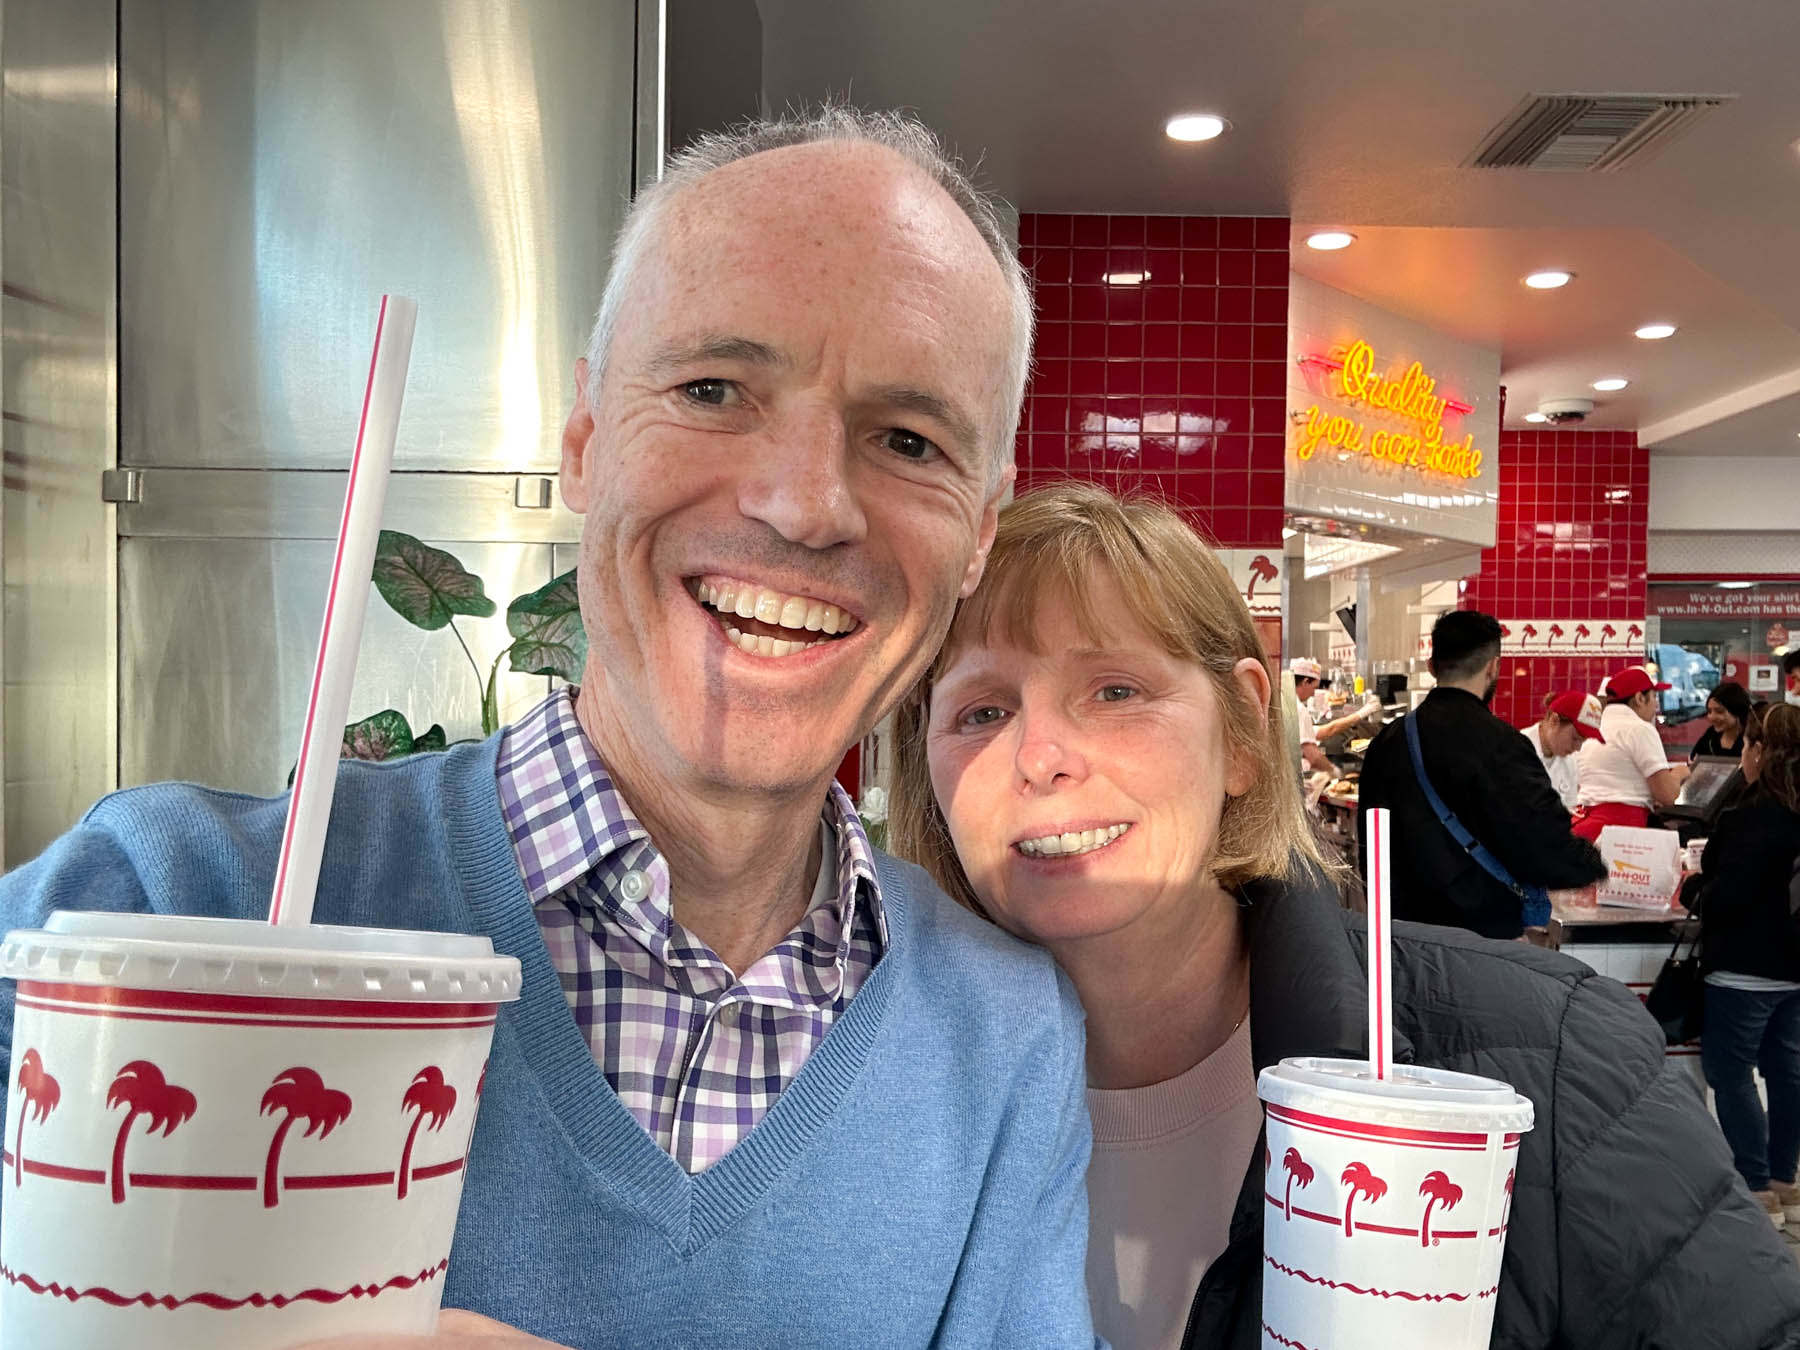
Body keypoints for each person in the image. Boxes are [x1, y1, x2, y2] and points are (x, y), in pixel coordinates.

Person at [0, 110, 1103, 1349]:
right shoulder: (157, 908)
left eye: (908, 440)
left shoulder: (1007, 1046)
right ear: (584, 441)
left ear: (979, 540)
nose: (805, 506)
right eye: (711, 389)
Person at [889, 481, 1800, 1350]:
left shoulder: (1552, 1059)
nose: (1040, 756)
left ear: (1243, 732)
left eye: (1116, 690)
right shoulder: (867, 1090)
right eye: (981, 710)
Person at [1355, 611, 1607, 938]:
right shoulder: (1504, 745)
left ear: (1432, 667)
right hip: (1482, 943)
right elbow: (1543, 844)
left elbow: (1371, 851)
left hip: (1401, 938)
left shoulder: (1388, 743)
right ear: (1493, 667)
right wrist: (1594, 864)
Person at [1695, 703, 1800, 1230]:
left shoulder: (1750, 815)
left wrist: (1695, 888)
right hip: (1795, 970)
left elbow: (1723, 896)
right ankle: (1787, 1181)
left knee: (1731, 1071)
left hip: (1744, 968)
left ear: (1759, 751)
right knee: (1787, 1071)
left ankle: (1757, 1187)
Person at [1573, 665, 1691, 842]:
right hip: (1622, 831)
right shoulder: (1639, 729)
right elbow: (1667, 795)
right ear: (1639, 698)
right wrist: (1681, 773)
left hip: (1584, 824)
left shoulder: (1596, 727)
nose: (1656, 705)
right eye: (1653, 697)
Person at [1522, 689, 1605, 811]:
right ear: (1554, 720)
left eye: (1583, 741)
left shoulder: (1570, 762)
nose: (1578, 748)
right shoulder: (1518, 748)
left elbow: (1568, 811)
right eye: (1575, 738)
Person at [1289, 658, 1335, 776]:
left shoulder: (1283, 700)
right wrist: (1332, 771)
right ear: (1305, 682)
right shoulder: (1298, 709)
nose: (1313, 693)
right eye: (1314, 688)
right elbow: (1313, 756)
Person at [1693, 680, 1753, 760]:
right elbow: (1693, 762)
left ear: (1737, 711)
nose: (1712, 717)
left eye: (1719, 711)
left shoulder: (1751, 739)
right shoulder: (1710, 737)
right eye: (1709, 711)